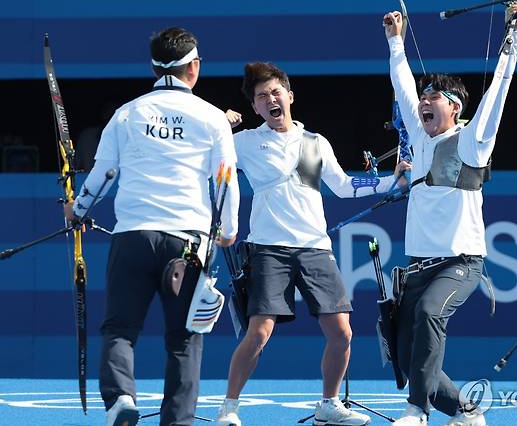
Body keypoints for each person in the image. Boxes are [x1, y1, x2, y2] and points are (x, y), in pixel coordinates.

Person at [216, 61, 410, 426]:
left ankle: (329, 405)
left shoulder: (316, 143)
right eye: (261, 96)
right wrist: (219, 125)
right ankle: (229, 407)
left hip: (316, 248)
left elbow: (344, 186)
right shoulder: (242, 142)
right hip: (268, 249)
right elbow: (202, 154)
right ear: (255, 108)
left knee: (342, 333)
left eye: (276, 92)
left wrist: (391, 182)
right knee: (258, 333)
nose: (270, 99)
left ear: (289, 96)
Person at [63, 27, 239, 426]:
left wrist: (78, 208)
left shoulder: (127, 113)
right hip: (187, 243)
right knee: (184, 338)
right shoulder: (213, 117)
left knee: (120, 329)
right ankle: (177, 421)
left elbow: (104, 173)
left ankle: (121, 400)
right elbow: (225, 181)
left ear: (153, 66)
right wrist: (228, 230)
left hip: (132, 238)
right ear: (194, 67)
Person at [381, 3, 517, 426]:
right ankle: (467, 411)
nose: (424, 102)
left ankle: (417, 411)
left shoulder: (471, 142)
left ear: (456, 109)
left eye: (435, 98)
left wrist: (512, 38)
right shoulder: (419, 137)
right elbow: (403, 85)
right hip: (418, 265)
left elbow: (498, 91)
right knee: (407, 356)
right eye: (424, 98)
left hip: (461, 263)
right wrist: (395, 41)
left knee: (429, 314)